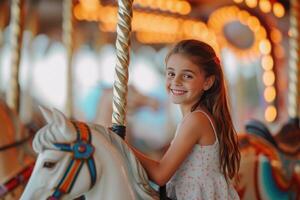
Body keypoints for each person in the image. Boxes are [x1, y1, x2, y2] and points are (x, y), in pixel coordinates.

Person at [127, 39, 241, 199]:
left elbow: (160, 174)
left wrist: (121, 145)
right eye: (171, 73)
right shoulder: (197, 117)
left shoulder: (196, 120)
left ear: (207, 82)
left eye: (187, 76)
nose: (176, 81)